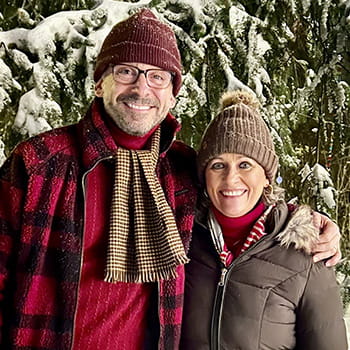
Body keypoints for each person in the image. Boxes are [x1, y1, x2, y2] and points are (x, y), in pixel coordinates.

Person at [0, 8, 342, 350]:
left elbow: (241, 199)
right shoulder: (40, 165)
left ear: (172, 93)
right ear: (100, 81)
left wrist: (309, 223)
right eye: (126, 71)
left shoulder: (179, 172)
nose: (141, 88)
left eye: (157, 76)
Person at [180, 90, 347, 349]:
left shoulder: (308, 255)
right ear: (204, 176)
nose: (230, 179)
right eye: (217, 165)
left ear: (267, 176)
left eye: (245, 164)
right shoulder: (182, 239)